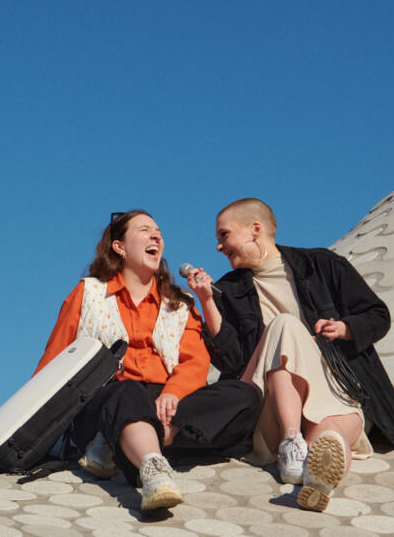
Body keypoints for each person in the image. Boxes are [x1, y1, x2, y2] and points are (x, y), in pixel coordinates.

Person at [184, 198, 394, 512]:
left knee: (332, 435)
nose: (219, 246)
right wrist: (207, 301)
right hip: (268, 407)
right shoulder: (229, 291)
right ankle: (291, 439)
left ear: (255, 230)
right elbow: (232, 362)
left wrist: (344, 328)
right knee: (284, 326)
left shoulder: (321, 265)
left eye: (224, 235)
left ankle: (319, 481)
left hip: (334, 389)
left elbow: (377, 315)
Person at [36, 210, 260, 511]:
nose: (156, 236)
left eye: (159, 231)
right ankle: (154, 471)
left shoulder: (180, 303)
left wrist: (173, 393)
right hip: (107, 398)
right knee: (127, 391)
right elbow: (54, 361)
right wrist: (21, 433)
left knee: (244, 394)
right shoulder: (87, 292)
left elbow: (194, 362)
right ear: (119, 247)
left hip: (164, 402)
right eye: (145, 230)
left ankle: (126, 444)